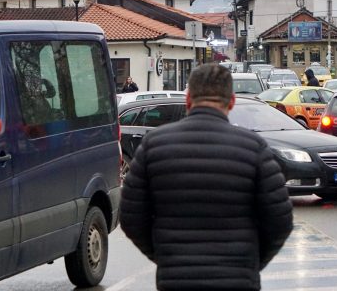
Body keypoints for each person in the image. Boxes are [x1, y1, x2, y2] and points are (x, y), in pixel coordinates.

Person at [120, 64, 293, 291]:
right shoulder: (254, 148)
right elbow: (280, 220)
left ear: (188, 99)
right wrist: (250, 264)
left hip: (176, 280)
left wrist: (165, 257)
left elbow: (131, 217)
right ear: (231, 101)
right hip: (237, 280)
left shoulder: (154, 146)